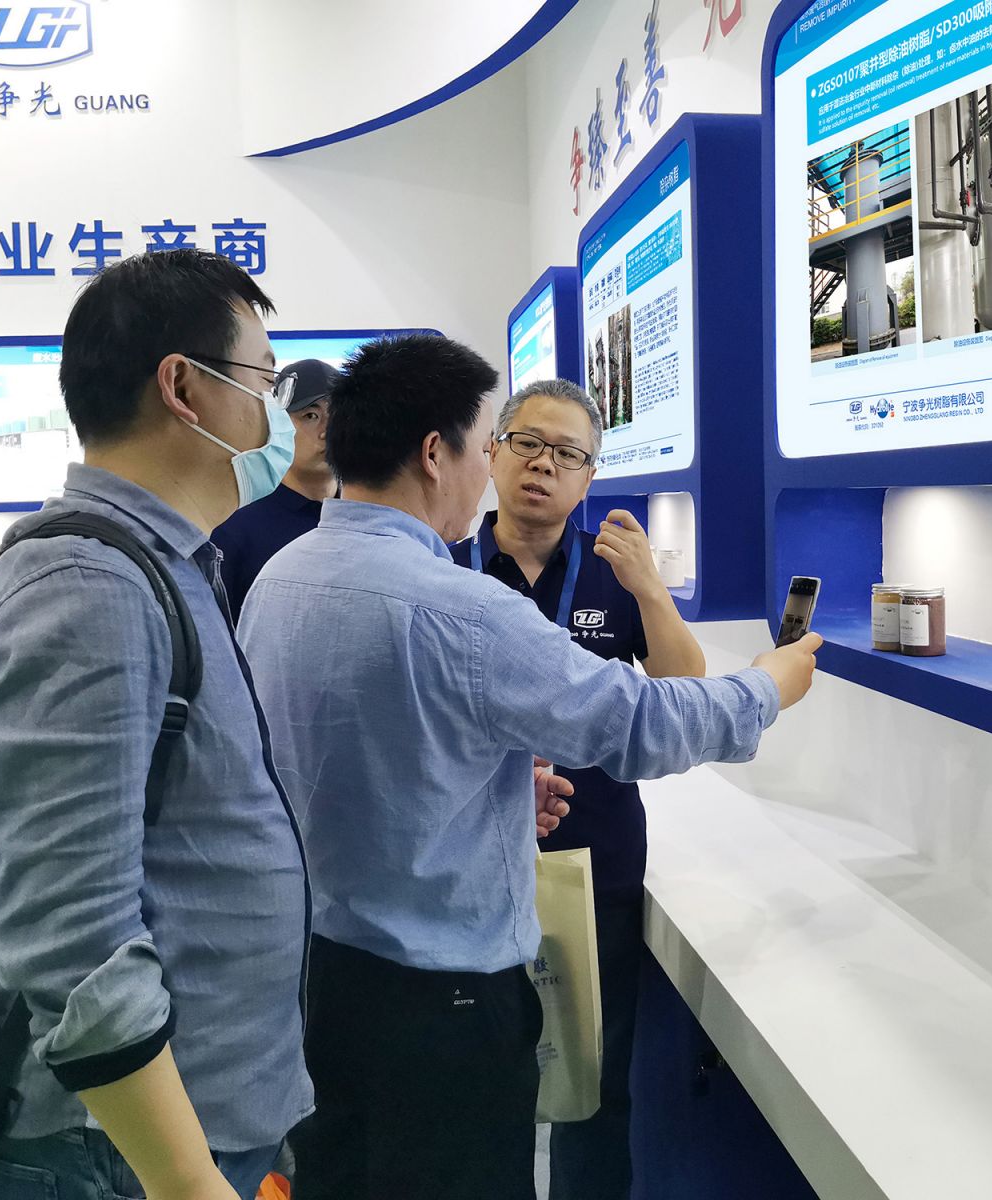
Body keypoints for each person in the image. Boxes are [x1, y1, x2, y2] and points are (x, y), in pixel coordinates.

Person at [239, 333, 822, 1200]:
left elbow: (369, 759)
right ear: (436, 453)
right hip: (443, 998)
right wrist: (769, 686)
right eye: (495, 446)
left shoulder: (283, 578)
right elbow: (640, 724)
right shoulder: (461, 605)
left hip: (322, 973)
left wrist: (499, 791)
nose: (502, 469)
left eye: (565, 454)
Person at [0, 249, 311, 1200]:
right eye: (263, 380)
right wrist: (186, 1181)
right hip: (121, 1156)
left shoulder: (163, 564)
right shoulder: (88, 588)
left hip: (188, 1124)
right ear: (184, 388)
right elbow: (69, 934)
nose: (276, 416)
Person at [450, 377, 698, 1200]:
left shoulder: (611, 570)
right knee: (480, 1079)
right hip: (470, 861)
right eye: (527, 444)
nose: (543, 466)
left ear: (589, 476)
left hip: (595, 862)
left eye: (567, 454)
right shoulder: (445, 567)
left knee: (594, 1075)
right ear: (493, 453)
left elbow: (685, 689)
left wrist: (650, 589)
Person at [212, 357, 341, 622]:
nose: (327, 432)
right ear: (276, 423)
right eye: (310, 416)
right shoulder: (236, 526)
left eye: (339, 415)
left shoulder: (365, 516)